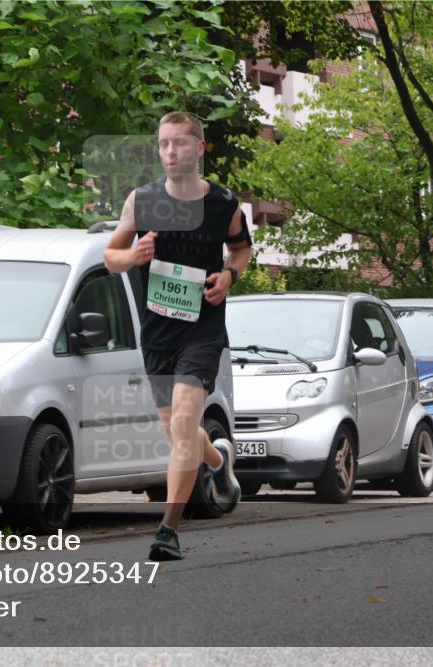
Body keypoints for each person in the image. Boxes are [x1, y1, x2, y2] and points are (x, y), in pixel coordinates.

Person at [103, 111, 252, 561]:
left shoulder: (224, 203)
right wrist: (134, 256)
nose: (171, 151)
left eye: (180, 143)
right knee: (178, 432)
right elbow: (110, 255)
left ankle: (168, 530)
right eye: (164, 144)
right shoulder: (142, 200)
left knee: (186, 422)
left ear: (199, 148)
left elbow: (241, 249)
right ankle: (218, 462)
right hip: (158, 332)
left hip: (202, 328)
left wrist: (229, 276)